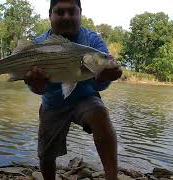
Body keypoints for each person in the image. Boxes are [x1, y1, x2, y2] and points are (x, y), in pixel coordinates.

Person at [24, 0, 122, 179]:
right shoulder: (39, 43)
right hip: (52, 102)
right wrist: (36, 85)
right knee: (46, 154)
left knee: (100, 113)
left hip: (85, 99)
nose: (66, 16)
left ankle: (112, 177)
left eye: (72, 12)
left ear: (80, 14)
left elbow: (101, 84)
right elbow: (37, 89)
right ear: (50, 15)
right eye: (60, 12)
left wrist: (102, 78)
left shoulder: (93, 41)